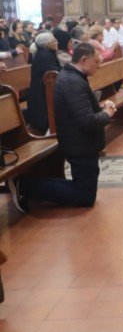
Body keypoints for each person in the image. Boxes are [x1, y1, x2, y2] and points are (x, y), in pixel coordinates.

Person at [8, 43, 116, 213]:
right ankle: (25, 185)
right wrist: (107, 114)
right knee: (84, 196)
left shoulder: (73, 76)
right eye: (96, 62)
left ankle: (28, 185)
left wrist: (101, 107)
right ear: (84, 60)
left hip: (81, 142)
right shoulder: (73, 82)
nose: (99, 65)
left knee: (85, 192)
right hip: (79, 144)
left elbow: (81, 109)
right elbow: (87, 121)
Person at [26, 32, 62, 134]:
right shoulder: (44, 55)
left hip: (44, 94)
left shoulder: (46, 52)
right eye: (54, 40)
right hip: (41, 99)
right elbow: (55, 73)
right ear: (47, 44)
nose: (57, 42)